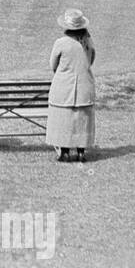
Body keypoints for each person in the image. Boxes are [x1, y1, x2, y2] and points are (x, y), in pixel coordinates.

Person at [46, 9, 96, 162]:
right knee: (82, 119)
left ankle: (65, 151)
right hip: (84, 85)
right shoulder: (88, 42)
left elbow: (53, 65)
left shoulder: (60, 43)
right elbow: (90, 61)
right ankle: (81, 152)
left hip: (64, 86)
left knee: (63, 119)